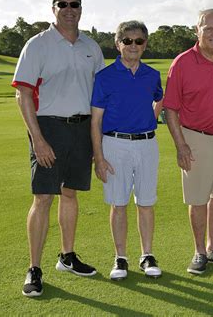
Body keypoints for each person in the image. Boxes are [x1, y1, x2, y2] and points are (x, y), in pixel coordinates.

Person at [13, 0, 105, 297]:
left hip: (81, 129)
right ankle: (34, 267)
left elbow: (99, 99)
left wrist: (97, 142)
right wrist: (37, 139)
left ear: (81, 8)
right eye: (62, 4)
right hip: (48, 127)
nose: (69, 9)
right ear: (53, 9)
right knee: (43, 198)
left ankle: (67, 256)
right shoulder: (37, 45)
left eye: (74, 4)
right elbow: (23, 93)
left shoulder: (91, 47)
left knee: (70, 194)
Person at [163, 9, 213, 275]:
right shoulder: (182, 63)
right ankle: (199, 251)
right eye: (209, 28)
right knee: (198, 200)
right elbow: (170, 108)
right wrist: (180, 145)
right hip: (196, 139)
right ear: (197, 30)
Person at [91, 21, 163, 281]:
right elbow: (95, 121)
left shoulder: (152, 75)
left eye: (139, 41)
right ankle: (120, 258)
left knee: (146, 203)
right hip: (114, 144)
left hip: (146, 144)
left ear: (145, 44)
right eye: (128, 41)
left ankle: (147, 255)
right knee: (118, 203)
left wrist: (151, 117)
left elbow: (159, 97)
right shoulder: (104, 77)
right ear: (118, 44)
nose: (133, 46)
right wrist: (98, 157)